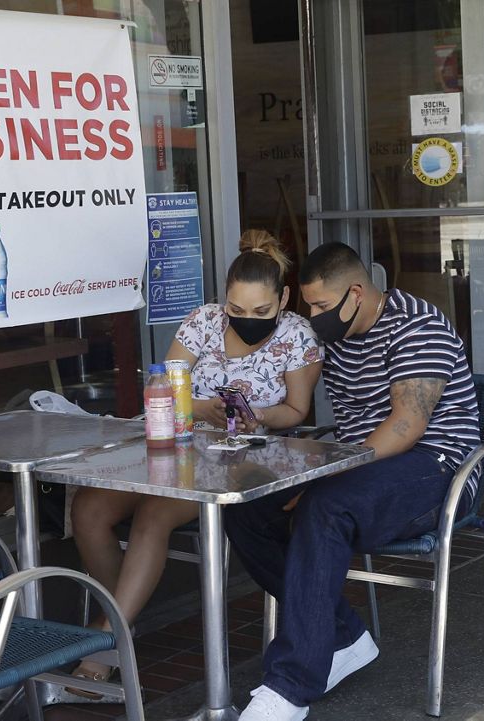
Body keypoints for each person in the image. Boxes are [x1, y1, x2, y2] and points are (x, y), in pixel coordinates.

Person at [225, 242, 481, 721]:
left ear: (357, 294)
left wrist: (324, 477)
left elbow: (406, 427)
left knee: (324, 506)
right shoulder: (337, 337)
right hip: (359, 468)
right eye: (309, 306)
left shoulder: (416, 326)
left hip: (438, 469)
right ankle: (343, 638)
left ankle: (291, 686)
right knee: (247, 503)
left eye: (322, 306)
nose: (315, 316)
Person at [68, 230, 322, 694]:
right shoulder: (203, 321)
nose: (248, 320)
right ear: (224, 301)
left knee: (154, 513)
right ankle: (124, 619)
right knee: (88, 507)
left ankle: (104, 644)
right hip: (178, 442)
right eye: (237, 310)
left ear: (283, 298)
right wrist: (200, 408)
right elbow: (165, 384)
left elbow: (297, 412)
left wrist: (257, 416)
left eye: (261, 311)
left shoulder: (296, 335)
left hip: (247, 456)